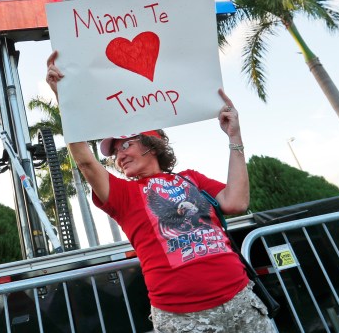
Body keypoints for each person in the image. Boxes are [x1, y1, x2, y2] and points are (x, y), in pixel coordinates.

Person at [45, 50, 273, 333]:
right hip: (184, 320)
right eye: (115, 152)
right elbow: (85, 161)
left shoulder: (191, 179)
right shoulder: (122, 194)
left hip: (241, 301)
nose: (119, 155)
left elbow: (236, 202)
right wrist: (63, 99)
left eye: (125, 144)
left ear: (151, 143)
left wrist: (234, 136)